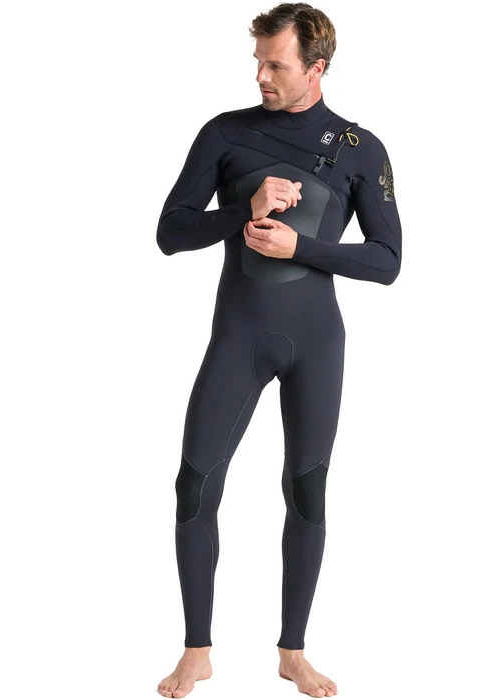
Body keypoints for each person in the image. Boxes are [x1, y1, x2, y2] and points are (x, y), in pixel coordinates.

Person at [155, 3, 402, 697]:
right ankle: (197, 651)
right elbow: (170, 232)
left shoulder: (360, 148)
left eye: (276, 64)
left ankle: (293, 652)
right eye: (258, 62)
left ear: (316, 68)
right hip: (238, 337)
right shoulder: (225, 133)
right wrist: (245, 208)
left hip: (316, 344)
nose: (260, 75)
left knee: (306, 489)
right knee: (194, 484)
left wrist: (303, 248)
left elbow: (388, 260)